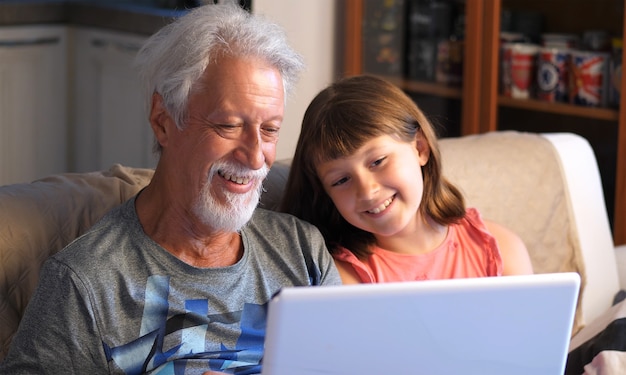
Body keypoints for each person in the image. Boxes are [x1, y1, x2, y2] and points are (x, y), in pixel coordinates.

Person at [0, 2, 341, 374]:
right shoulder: (85, 282)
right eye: (228, 126)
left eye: (270, 129)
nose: (256, 156)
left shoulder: (302, 253)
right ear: (163, 121)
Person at [280, 74, 533, 284]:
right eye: (341, 180)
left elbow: (532, 341)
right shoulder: (342, 276)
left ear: (420, 148)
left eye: (378, 161)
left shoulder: (499, 249)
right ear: (326, 193)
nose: (367, 191)